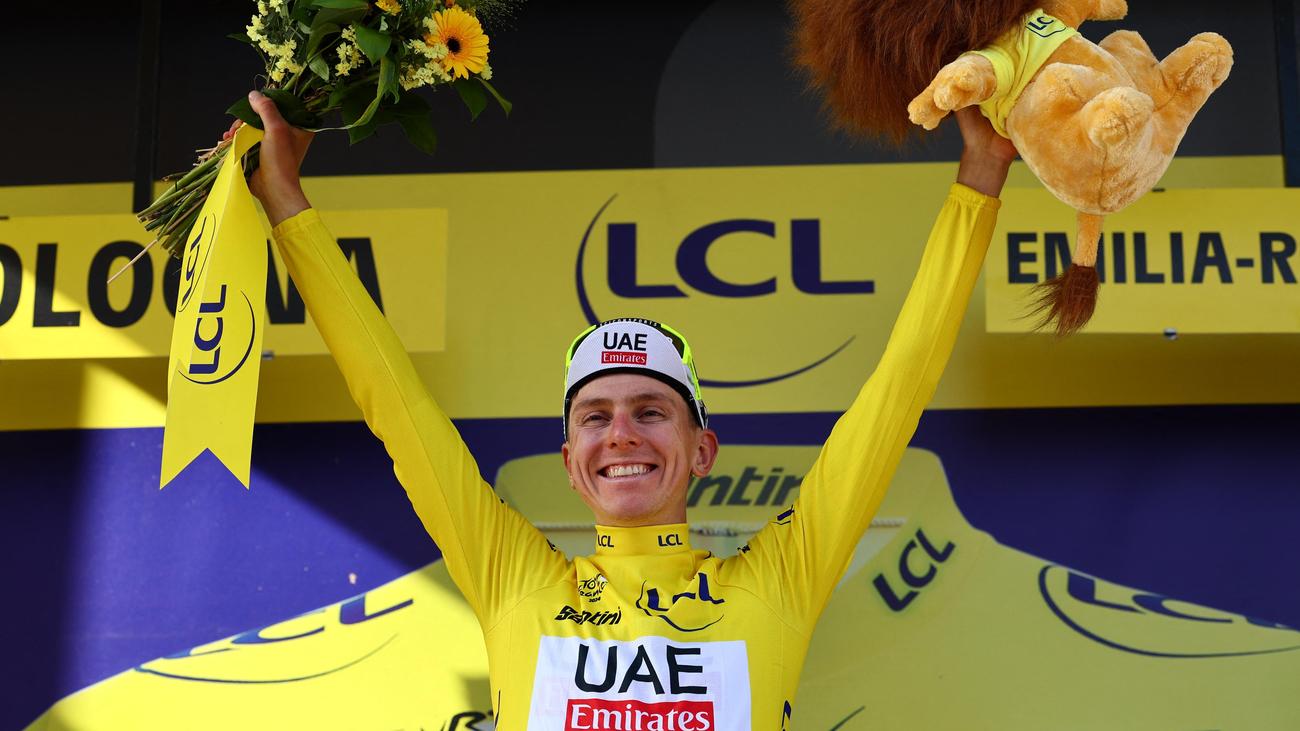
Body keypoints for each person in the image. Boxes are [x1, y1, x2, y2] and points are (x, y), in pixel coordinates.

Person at [243, 89, 1014, 730]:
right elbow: (393, 399)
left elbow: (897, 391)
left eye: (650, 411)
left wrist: (980, 177)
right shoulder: (514, 579)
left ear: (702, 449)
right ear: (569, 461)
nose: (620, 434)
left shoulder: (777, 583)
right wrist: (284, 202)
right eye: (594, 416)